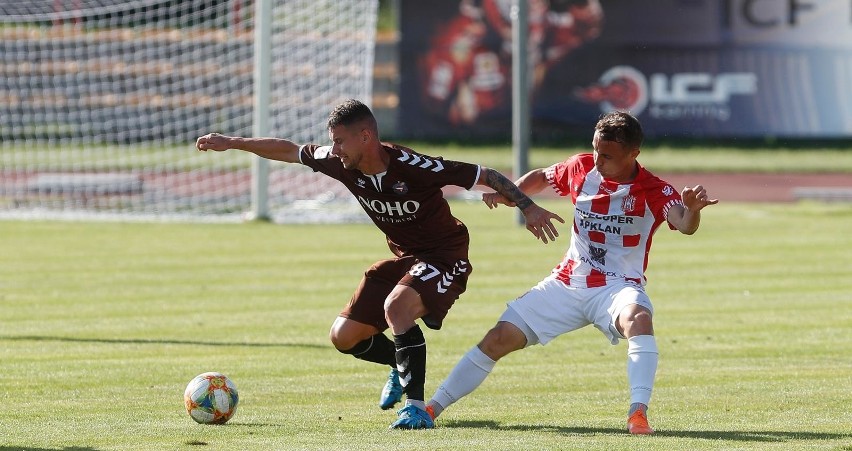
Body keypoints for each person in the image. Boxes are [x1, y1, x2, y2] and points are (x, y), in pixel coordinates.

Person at [195, 99, 564, 430]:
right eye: (332, 142)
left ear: (366, 137)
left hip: (445, 255)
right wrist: (234, 142)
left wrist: (528, 207)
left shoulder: (413, 166)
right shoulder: (340, 163)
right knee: (344, 336)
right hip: (406, 258)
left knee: (396, 307)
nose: (334, 149)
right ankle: (397, 365)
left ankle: (416, 408)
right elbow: (291, 150)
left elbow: (485, 174)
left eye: (340, 141)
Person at [425, 110, 718, 434]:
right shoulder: (581, 167)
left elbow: (683, 223)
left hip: (617, 287)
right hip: (568, 281)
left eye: (607, 155)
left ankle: (638, 415)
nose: (597, 159)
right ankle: (431, 408)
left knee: (639, 319)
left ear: (633, 154)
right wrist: (515, 194)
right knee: (498, 338)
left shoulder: (653, 188)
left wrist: (692, 210)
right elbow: (542, 176)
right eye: (595, 149)